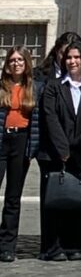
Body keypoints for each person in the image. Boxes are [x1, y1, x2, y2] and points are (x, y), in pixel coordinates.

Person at [38, 39, 81, 261]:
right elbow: (50, 118)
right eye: (69, 57)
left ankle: (74, 245)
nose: (72, 61)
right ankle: (51, 247)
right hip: (55, 153)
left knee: (79, 200)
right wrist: (64, 151)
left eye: (77, 57)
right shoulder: (54, 86)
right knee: (54, 200)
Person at [0, 47, 38, 262]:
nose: (16, 64)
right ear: (7, 64)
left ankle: (7, 245)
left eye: (20, 60)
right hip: (2, 139)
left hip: (21, 141)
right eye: (12, 60)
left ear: (26, 64)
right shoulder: (1, 87)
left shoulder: (33, 88)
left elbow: (37, 121)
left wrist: (32, 148)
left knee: (13, 198)